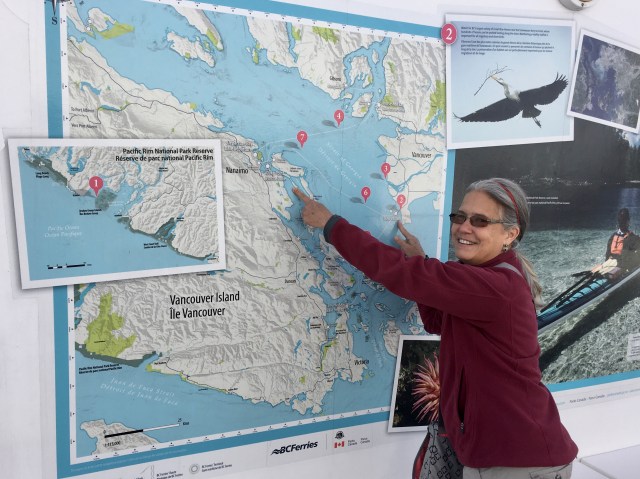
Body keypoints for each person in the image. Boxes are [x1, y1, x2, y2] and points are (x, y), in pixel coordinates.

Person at [293, 178, 577, 479]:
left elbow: (401, 272)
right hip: (502, 453)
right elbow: (437, 320)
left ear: (510, 234)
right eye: (460, 216)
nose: (464, 227)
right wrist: (422, 263)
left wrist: (331, 225)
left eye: (480, 221)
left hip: (519, 461)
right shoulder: (487, 277)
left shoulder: (496, 286)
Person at [605, 208, 640, 273]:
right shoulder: (633, 238)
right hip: (621, 267)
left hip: (610, 264)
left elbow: (607, 255)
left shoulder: (613, 236)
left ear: (618, 222)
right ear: (628, 221)